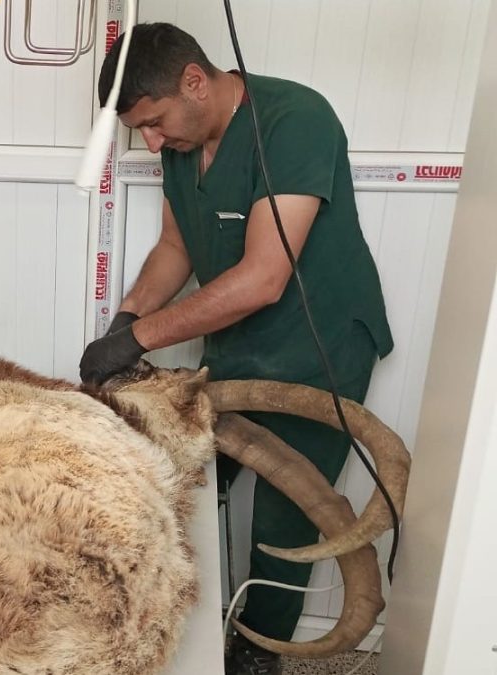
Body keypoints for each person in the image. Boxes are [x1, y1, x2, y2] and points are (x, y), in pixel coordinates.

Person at [78, 23, 393, 675]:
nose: (152, 141)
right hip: (240, 341)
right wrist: (128, 317)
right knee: (185, 481)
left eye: (155, 122)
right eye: (142, 130)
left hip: (319, 346)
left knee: (287, 514)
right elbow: (177, 245)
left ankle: (258, 650)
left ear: (195, 81)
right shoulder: (182, 141)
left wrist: (141, 338)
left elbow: (264, 277)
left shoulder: (296, 121)